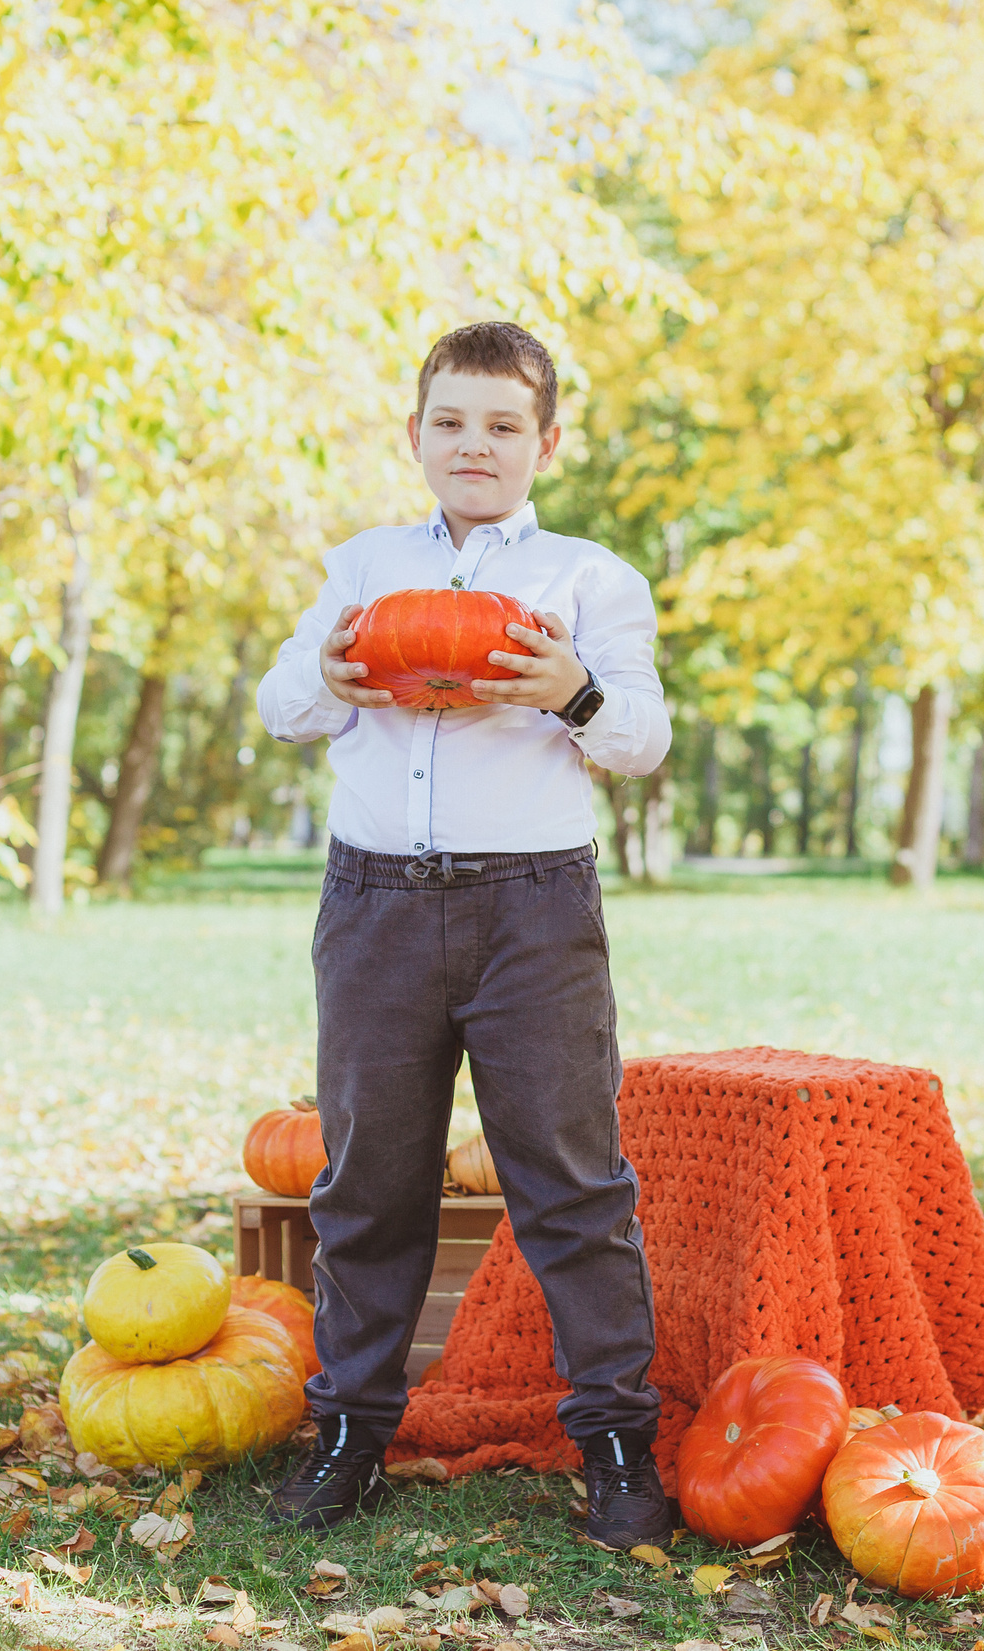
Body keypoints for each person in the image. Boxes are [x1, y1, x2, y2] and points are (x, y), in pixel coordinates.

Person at [253, 321, 673, 1546]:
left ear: (544, 441)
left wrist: (570, 693)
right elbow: (283, 707)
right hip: (376, 905)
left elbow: (639, 737)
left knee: (571, 1185)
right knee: (367, 1183)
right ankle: (348, 1433)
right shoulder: (361, 566)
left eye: (502, 425)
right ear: (416, 434)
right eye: (451, 421)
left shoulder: (589, 581)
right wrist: (331, 671)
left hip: (532, 909)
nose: (474, 445)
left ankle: (614, 1442)